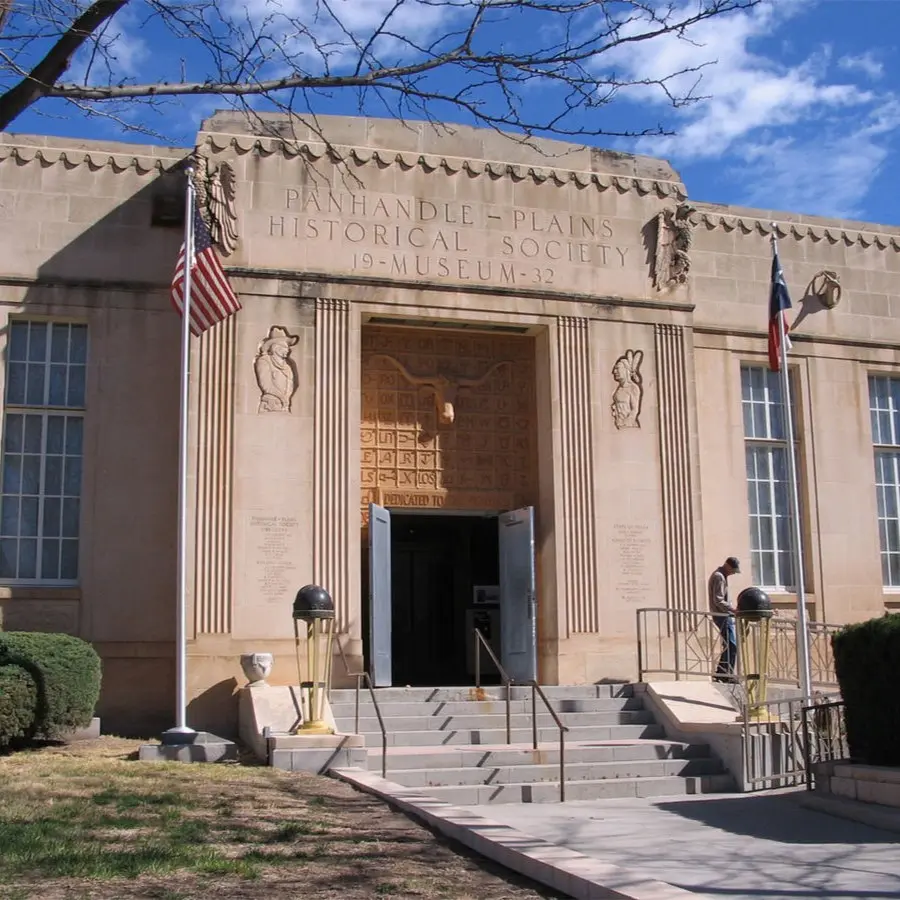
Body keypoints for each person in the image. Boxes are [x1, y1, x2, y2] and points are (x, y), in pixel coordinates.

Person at [708, 557, 740, 683]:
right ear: (727, 566)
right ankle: (725, 674)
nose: (733, 573)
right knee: (731, 644)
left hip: (724, 615)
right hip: (721, 615)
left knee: (729, 644)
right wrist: (733, 610)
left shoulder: (721, 575)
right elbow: (718, 599)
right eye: (732, 570)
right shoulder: (719, 576)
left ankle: (722, 673)